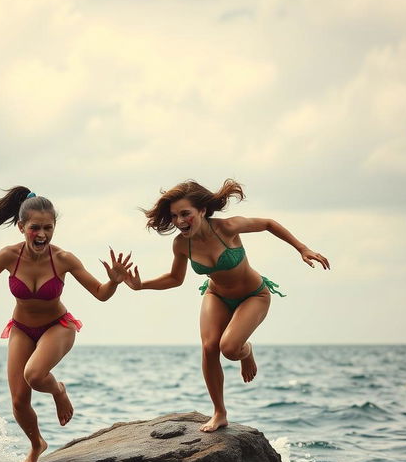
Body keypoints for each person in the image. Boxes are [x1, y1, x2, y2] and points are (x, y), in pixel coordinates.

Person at [124, 179, 329, 432]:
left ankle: (246, 350)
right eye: (175, 216)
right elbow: (175, 279)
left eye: (185, 214)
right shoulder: (181, 244)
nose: (179, 221)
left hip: (253, 295)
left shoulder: (228, 227)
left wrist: (302, 248)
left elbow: (268, 224)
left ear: (202, 210)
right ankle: (219, 412)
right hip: (216, 295)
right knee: (209, 347)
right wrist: (140, 284)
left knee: (230, 349)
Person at [0, 186, 132, 462]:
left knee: (35, 375)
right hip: (22, 329)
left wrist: (114, 281)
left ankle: (59, 390)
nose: (42, 234)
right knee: (19, 401)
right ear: (21, 227)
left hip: (57, 326)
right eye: (35, 228)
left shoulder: (63, 259)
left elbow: (100, 292)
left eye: (48, 228)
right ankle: (37, 445)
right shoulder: (8, 256)